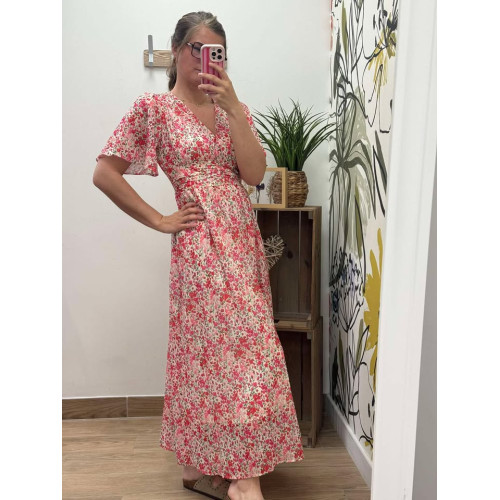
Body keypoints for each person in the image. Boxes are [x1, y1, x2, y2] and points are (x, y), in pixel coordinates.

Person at [93, 11, 304, 500]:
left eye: (217, 53)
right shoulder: (154, 109)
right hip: (201, 248)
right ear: (176, 51)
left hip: (242, 241)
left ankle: (198, 467)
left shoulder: (234, 108)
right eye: (198, 49)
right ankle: (241, 478)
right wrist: (159, 219)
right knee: (214, 354)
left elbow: (254, 175)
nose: (208, 60)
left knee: (242, 349)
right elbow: (105, 172)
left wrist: (234, 109)